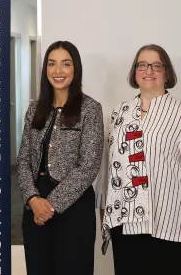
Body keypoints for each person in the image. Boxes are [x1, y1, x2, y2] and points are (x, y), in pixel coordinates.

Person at [16, 41, 104, 275]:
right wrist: (34, 199)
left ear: (76, 69)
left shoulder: (90, 109)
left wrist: (51, 206)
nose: (58, 71)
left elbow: (89, 165)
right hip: (34, 208)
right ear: (45, 69)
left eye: (66, 64)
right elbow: (23, 160)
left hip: (73, 209)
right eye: (52, 64)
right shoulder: (35, 109)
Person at [96, 44, 181, 275]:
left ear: (167, 72)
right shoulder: (119, 112)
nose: (149, 71)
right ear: (135, 72)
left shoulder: (178, 113)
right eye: (142, 65)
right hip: (124, 220)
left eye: (156, 65)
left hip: (168, 220)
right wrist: (103, 210)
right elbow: (109, 166)